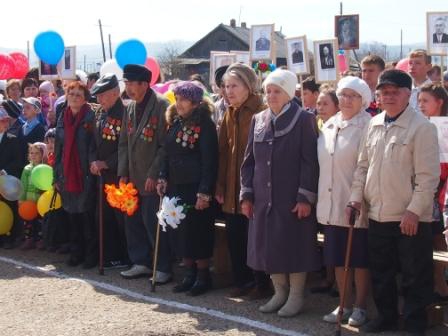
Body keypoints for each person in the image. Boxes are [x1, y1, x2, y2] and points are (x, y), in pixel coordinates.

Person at [348, 70, 439, 334]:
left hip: (409, 218)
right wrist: (355, 199)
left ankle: (414, 325)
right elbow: (362, 166)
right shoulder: (373, 123)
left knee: (414, 276)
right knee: (382, 273)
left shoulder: (422, 128)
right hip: (378, 214)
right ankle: (386, 317)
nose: (388, 96)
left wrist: (413, 212)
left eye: (394, 91)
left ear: (407, 94)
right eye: (383, 91)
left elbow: (428, 178)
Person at [240, 69, 320, 317]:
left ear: (288, 93)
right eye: (268, 91)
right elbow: (249, 160)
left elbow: (310, 162)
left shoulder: (304, 119)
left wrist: (305, 197)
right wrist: (247, 194)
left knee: (294, 244)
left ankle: (296, 295)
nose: (271, 96)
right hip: (264, 198)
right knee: (268, 245)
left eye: (277, 91)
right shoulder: (259, 119)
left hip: (291, 196)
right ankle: (279, 292)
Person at [317, 76, 372, 327]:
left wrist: (357, 199)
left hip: (356, 202)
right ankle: (344, 302)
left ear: (364, 100)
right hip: (331, 201)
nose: (347, 100)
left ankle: (360, 306)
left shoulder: (368, 126)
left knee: (359, 259)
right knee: (339, 257)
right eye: (343, 95)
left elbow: (366, 166)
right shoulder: (329, 125)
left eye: (354, 96)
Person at [215, 63, 271, 299]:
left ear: (248, 86)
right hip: (231, 186)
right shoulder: (229, 112)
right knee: (235, 235)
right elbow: (223, 152)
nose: (229, 91)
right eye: (226, 86)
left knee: (255, 236)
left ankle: (261, 282)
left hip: (254, 187)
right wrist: (219, 185)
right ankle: (241, 279)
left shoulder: (261, 110)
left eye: (234, 85)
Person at [157, 81, 218, 296]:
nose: (179, 103)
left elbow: (209, 160)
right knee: (181, 231)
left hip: (195, 187)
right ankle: (189, 273)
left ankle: (203, 276)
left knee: (198, 231)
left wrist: (204, 191)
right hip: (177, 185)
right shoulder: (175, 122)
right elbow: (167, 152)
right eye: (177, 98)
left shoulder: (205, 125)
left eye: (183, 99)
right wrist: (163, 176)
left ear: (195, 102)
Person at [117, 64, 172, 283]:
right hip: (132, 175)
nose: (128, 88)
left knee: (153, 223)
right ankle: (140, 262)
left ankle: (162, 266)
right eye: (126, 83)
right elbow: (123, 143)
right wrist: (122, 172)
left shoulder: (161, 105)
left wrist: (154, 173)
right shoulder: (129, 107)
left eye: (132, 84)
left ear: (144, 84)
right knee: (133, 222)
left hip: (151, 176)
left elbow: (164, 145)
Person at [54, 81, 97, 269]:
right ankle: (75, 252)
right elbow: (58, 149)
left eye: (79, 94)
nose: (74, 97)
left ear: (85, 97)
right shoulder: (62, 117)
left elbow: (94, 146)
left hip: (85, 174)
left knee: (86, 216)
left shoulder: (91, 117)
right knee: (71, 215)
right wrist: (56, 175)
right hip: (66, 173)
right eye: (71, 93)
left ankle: (90, 255)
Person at [90, 73, 129, 269]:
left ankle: (125, 255)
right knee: (103, 217)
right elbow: (93, 143)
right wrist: (93, 161)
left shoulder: (125, 113)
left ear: (115, 92)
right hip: (101, 176)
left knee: (120, 218)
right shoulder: (100, 113)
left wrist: (106, 163)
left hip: (118, 175)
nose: (99, 100)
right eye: (97, 96)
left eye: (102, 95)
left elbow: (126, 147)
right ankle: (110, 254)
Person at [417, 83, 448, 304]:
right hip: (425, 191)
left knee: (438, 241)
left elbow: (443, 167)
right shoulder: (423, 125)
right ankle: (436, 284)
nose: (421, 105)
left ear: (440, 102)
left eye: (426, 101)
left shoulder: (443, 127)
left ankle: (441, 285)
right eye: (419, 101)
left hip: (437, 193)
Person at [0, 107, 25, 249]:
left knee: (9, 206)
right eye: (2, 120)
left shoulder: (12, 139)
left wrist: (4, 171)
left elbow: (18, 161)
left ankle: (10, 236)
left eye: (6, 120)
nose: (5, 123)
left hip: (7, 180)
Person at [19, 142, 47, 250]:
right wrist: (21, 199)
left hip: (40, 201)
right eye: (31, 153)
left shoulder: (44, 168)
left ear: (42, 155)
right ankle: (29, 239)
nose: (33, 155)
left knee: (40, 221)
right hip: (29, 201)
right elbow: (23, 185)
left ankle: (40, 240)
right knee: (29, 222)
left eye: (37, 153)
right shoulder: (27, 169)